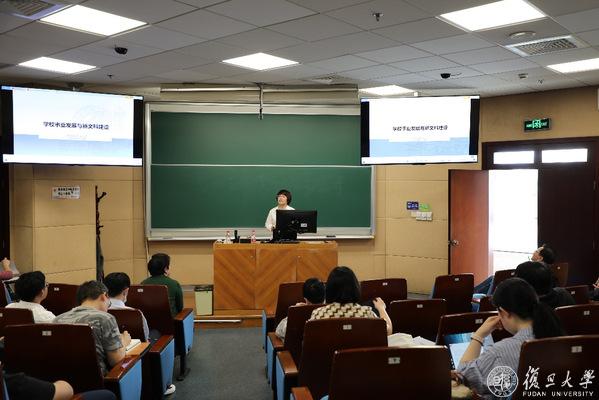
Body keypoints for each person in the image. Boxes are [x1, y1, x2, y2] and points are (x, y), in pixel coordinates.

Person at [455, 278, 563, 399]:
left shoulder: (501, 351)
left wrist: (478, 336)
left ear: (504, 312)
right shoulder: (557, 336)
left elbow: (462, 377)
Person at [54, 281, 131, 375]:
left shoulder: (57, 319)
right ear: (104, 296)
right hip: (97, 378)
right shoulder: (105, 318)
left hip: (63, 377)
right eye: (109, 303)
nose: (108, 307)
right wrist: (124, 341)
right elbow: (115, 360)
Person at [310, 266, 392, 335]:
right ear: (355, 287)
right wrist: (381, 309)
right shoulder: (367, 313)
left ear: (329, 290)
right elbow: (388, 331)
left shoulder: (318, 315)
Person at [473, 244, 555, 295]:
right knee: (494, 277)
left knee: (496, 278)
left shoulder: (531, 271)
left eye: (536, 251)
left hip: (516, 295)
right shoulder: (549, 272)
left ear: (540, 258)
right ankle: (474, 293)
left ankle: (481, 297)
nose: (533, 252)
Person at [105, 272, 150, 341]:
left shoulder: (98, 312)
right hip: (135, 346)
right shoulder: (136, 313)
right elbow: (145, 337)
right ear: (126, 291)